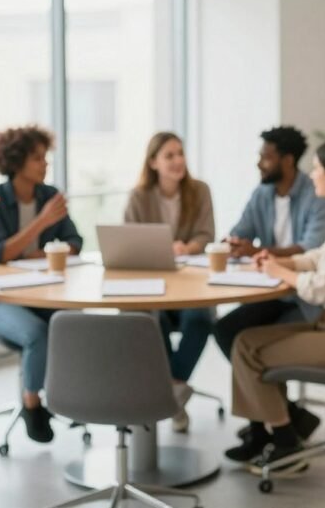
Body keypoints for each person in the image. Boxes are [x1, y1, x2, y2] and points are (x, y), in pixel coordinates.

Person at [225, 139, 325, 475]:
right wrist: (286, 261)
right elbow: (321, 258)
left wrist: (279, 271)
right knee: (244, 340)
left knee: (248, 350)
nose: (311, 175)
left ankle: (286, 442)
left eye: (317, 168)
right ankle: (274, 431)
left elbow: (323, 287)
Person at [212, 125, 325, 440]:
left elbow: (312, 248)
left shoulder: (315, 195)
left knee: (246, 341)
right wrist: (233, 242)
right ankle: (285, 416)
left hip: (302, 298)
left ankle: (267, 427)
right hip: (268, 294)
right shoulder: (262, 193)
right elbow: (240, 230)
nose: (259, 163)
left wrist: (258, 251)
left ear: (288, 160)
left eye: (266, 157)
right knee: (226, 330)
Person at [0, 125, 83, 444]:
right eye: (37, 158)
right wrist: (42, 222)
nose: (44, 164)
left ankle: (69, 398)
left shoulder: (50, 196)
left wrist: (53, 251)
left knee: (75, 323)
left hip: (42, 294)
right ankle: (32, 404)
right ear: (16, 161)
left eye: (45, 157)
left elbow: (75, 239)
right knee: (37, 334)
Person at [125, 131, 216, 433]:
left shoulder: (199, 191)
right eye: (169, 155)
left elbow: (206, 235)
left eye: (180, 153)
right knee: (153, 319)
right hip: (154, 283)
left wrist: (185, 248)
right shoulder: (139, 197)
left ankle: (172, 391)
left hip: (190, 282)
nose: (178, 161)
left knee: (201, 319)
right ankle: (173, 397)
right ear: (153, 162)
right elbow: (128, 239)